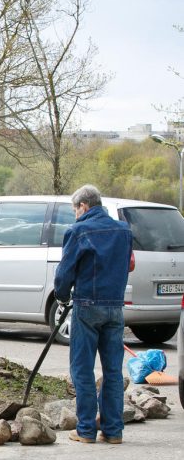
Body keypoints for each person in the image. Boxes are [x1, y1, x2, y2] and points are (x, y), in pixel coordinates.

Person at [54, 184, 132, 444]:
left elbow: (65, 273)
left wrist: (62, 296)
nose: (75, 214)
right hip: (115, 307)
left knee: (82, 369)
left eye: (75, 209)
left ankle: (86, 430)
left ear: (83, 206)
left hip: (87, 305)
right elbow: (128, 264)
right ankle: (113, 431)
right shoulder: (123, 231)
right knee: (112, 371)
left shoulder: (78, 231)